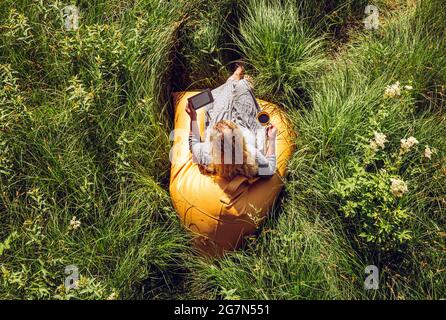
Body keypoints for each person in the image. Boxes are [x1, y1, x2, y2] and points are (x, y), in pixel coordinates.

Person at [185, 64, 277, 179]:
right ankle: (240, 81)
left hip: (219, 119)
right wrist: (272, 139)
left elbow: (193, 143)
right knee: (241, 87)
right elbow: (271, 169)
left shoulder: (206, 154)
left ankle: (234, 78)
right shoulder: (252, 155)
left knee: (228, 89)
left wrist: (193, 117)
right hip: (246, 124)